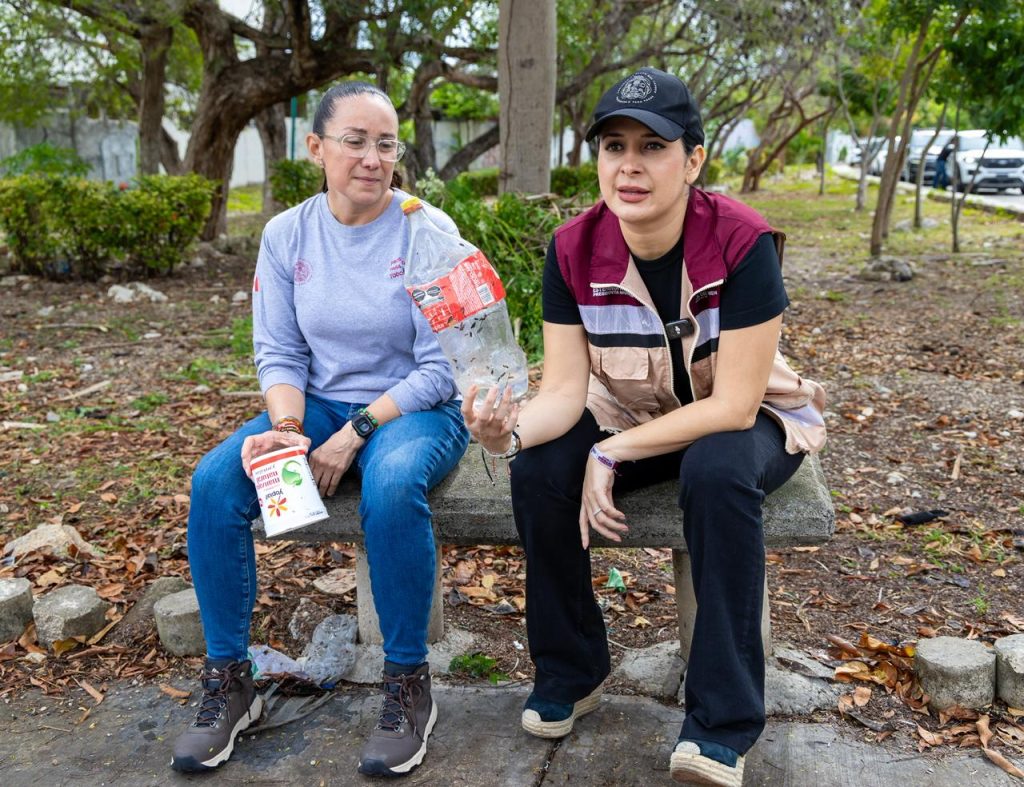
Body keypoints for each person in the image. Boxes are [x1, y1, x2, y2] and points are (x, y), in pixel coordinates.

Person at [463, 68, 826, 787]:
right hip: (630, 409)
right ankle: (573, 669)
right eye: (614, 146)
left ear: (693, 161)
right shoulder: (572, 248)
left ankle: (721, 722)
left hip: (747, 416)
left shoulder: (743, 242)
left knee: (717, 470)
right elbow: (563, 392)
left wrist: (610, 454)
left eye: (653, 147)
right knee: (539, 470)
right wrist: (507, 433)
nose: (629, 165)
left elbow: (733, 407)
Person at [170, 81, 469, 777]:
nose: (372, 158)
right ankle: (230, 679)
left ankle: (407, 681)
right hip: (318, 404)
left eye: (386, 144)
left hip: (415, 409)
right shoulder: (286, 234)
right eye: (354, 141)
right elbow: (279, 351)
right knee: (215, 481)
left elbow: (442, 367)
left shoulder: (428, 229)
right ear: (316, 147)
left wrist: (357, 429)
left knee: (391, 483)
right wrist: (286, 427)